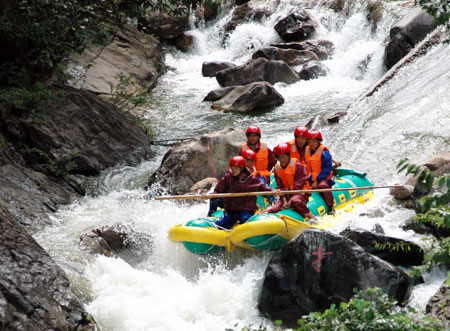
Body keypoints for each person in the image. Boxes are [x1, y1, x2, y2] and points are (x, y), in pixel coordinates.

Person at [208, 156, 274, 230]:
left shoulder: (249, 178)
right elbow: (218, 190)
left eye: (236, 168)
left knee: (245, 219)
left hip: (246, 208)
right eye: (232, 168)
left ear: (241, 168)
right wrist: (212, 195)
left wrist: (272, 191)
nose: (233, 170)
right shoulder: (227, 177)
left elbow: (262, 186)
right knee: (223, 223)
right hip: (232, 210)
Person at [263, 143, 315, 220]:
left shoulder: (298, 166)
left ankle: (311, 216)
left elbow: (299, 185)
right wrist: (284, 201)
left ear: (289, 156)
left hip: (300, 193)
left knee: (295, 201)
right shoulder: (277, 169)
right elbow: (280, 187)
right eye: (279, 157)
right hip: (286, 196)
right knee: (274, 210)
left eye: (284, 157)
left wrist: (290, 201)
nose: (282, 160)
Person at [305, 130, 336, 215]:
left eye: (314, 141)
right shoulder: (307, 151)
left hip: (323, 178)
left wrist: (317, 180)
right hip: (310, 178)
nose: (312, 144)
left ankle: (331, 206)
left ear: (319, 141)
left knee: (322, 186)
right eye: (310, 141)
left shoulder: (324, 153)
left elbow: (326, 169)